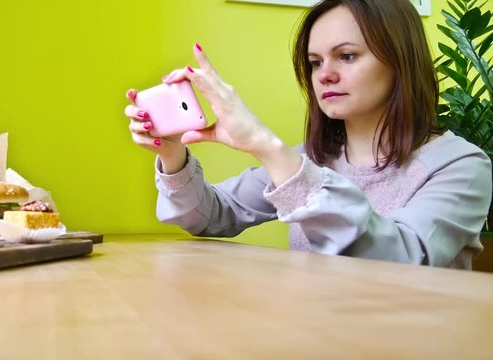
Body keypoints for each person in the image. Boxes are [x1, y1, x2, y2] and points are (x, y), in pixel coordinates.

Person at [124, 0, 492, 269]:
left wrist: (265, 145)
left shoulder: (461, 166)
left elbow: (403, 258)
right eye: (316, 62)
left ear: (400, 61)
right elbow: (211, 216)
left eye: (346, 56)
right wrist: (171, 152)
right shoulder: (314, 160)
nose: (324, 74)